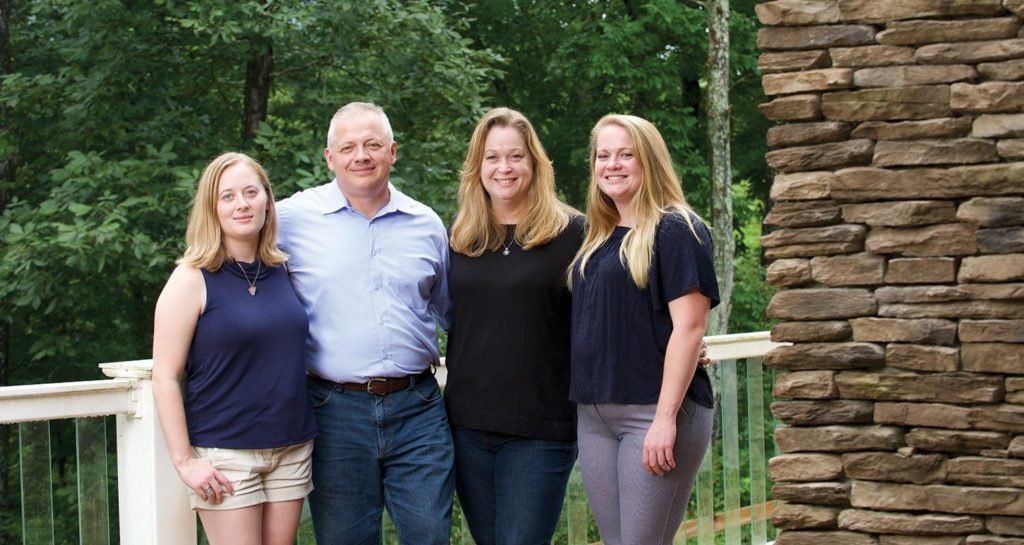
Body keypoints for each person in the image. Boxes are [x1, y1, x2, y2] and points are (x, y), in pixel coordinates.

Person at [275, 102, 453, 545]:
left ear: (393, 152)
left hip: (419, 409)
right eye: (349, 147)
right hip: (334, 410)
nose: (362, 156)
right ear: (329, 158)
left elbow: (454, 313)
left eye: (373, 145)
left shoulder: (426, 223)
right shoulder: (291, 220)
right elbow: (228, 254)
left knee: (430, 535)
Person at [152, 152, 317, 545]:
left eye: (250, 192)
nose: (241, 204)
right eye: (227, 196)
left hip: (291, 448)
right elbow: (165, 375)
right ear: (212, 208)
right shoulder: (190, 278)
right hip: (226, 454)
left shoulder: (284, 270)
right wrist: (184, 461)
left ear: (267, 200)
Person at [569, 114, 719, 545]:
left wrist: (664, 418)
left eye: (625, 154)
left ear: (648, 160)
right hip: (595, 416)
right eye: (603, 155)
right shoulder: (597, 236)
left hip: (653, 414)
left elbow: (690, 327)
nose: (612, 164)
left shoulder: (677, 230)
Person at [445, 107, 583, 545]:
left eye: (515, 156)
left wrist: (674, 342)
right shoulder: (460, 236)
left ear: (535, 163)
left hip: (541, 429)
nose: (504, 168)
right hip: (466, 425)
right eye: (492, 158)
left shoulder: (574, 233)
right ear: (477, 167)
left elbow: (611, 314)